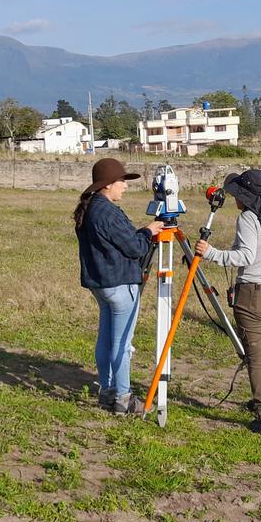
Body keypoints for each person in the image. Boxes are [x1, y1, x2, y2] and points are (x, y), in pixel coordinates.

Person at [194, 169, 261, 438]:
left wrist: (210, 253)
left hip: (252, 296)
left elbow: (245, 256)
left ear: (245, 196)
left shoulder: (248, 218)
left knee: (257, 357)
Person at [74, 158, 165, 413]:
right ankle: (124, 397)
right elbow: (135, 247)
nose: (125, 186)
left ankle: (107, 389)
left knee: (106, 338)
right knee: (122, 343)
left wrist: (142, 232)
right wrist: (148, 232)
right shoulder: (107, 212)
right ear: (107, 185)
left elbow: (117, 241)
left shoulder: (92, 208)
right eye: (121, 181)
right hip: (118, 283)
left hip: (101, 284)